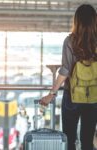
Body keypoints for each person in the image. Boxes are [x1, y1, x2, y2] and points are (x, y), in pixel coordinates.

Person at [39, 4, 97, 150]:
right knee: (88, 141)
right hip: (93, 97)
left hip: (72, 96)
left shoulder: (70, 41)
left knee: (68, 140)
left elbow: (64, 70)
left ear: (76, 21)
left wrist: (51, 94)